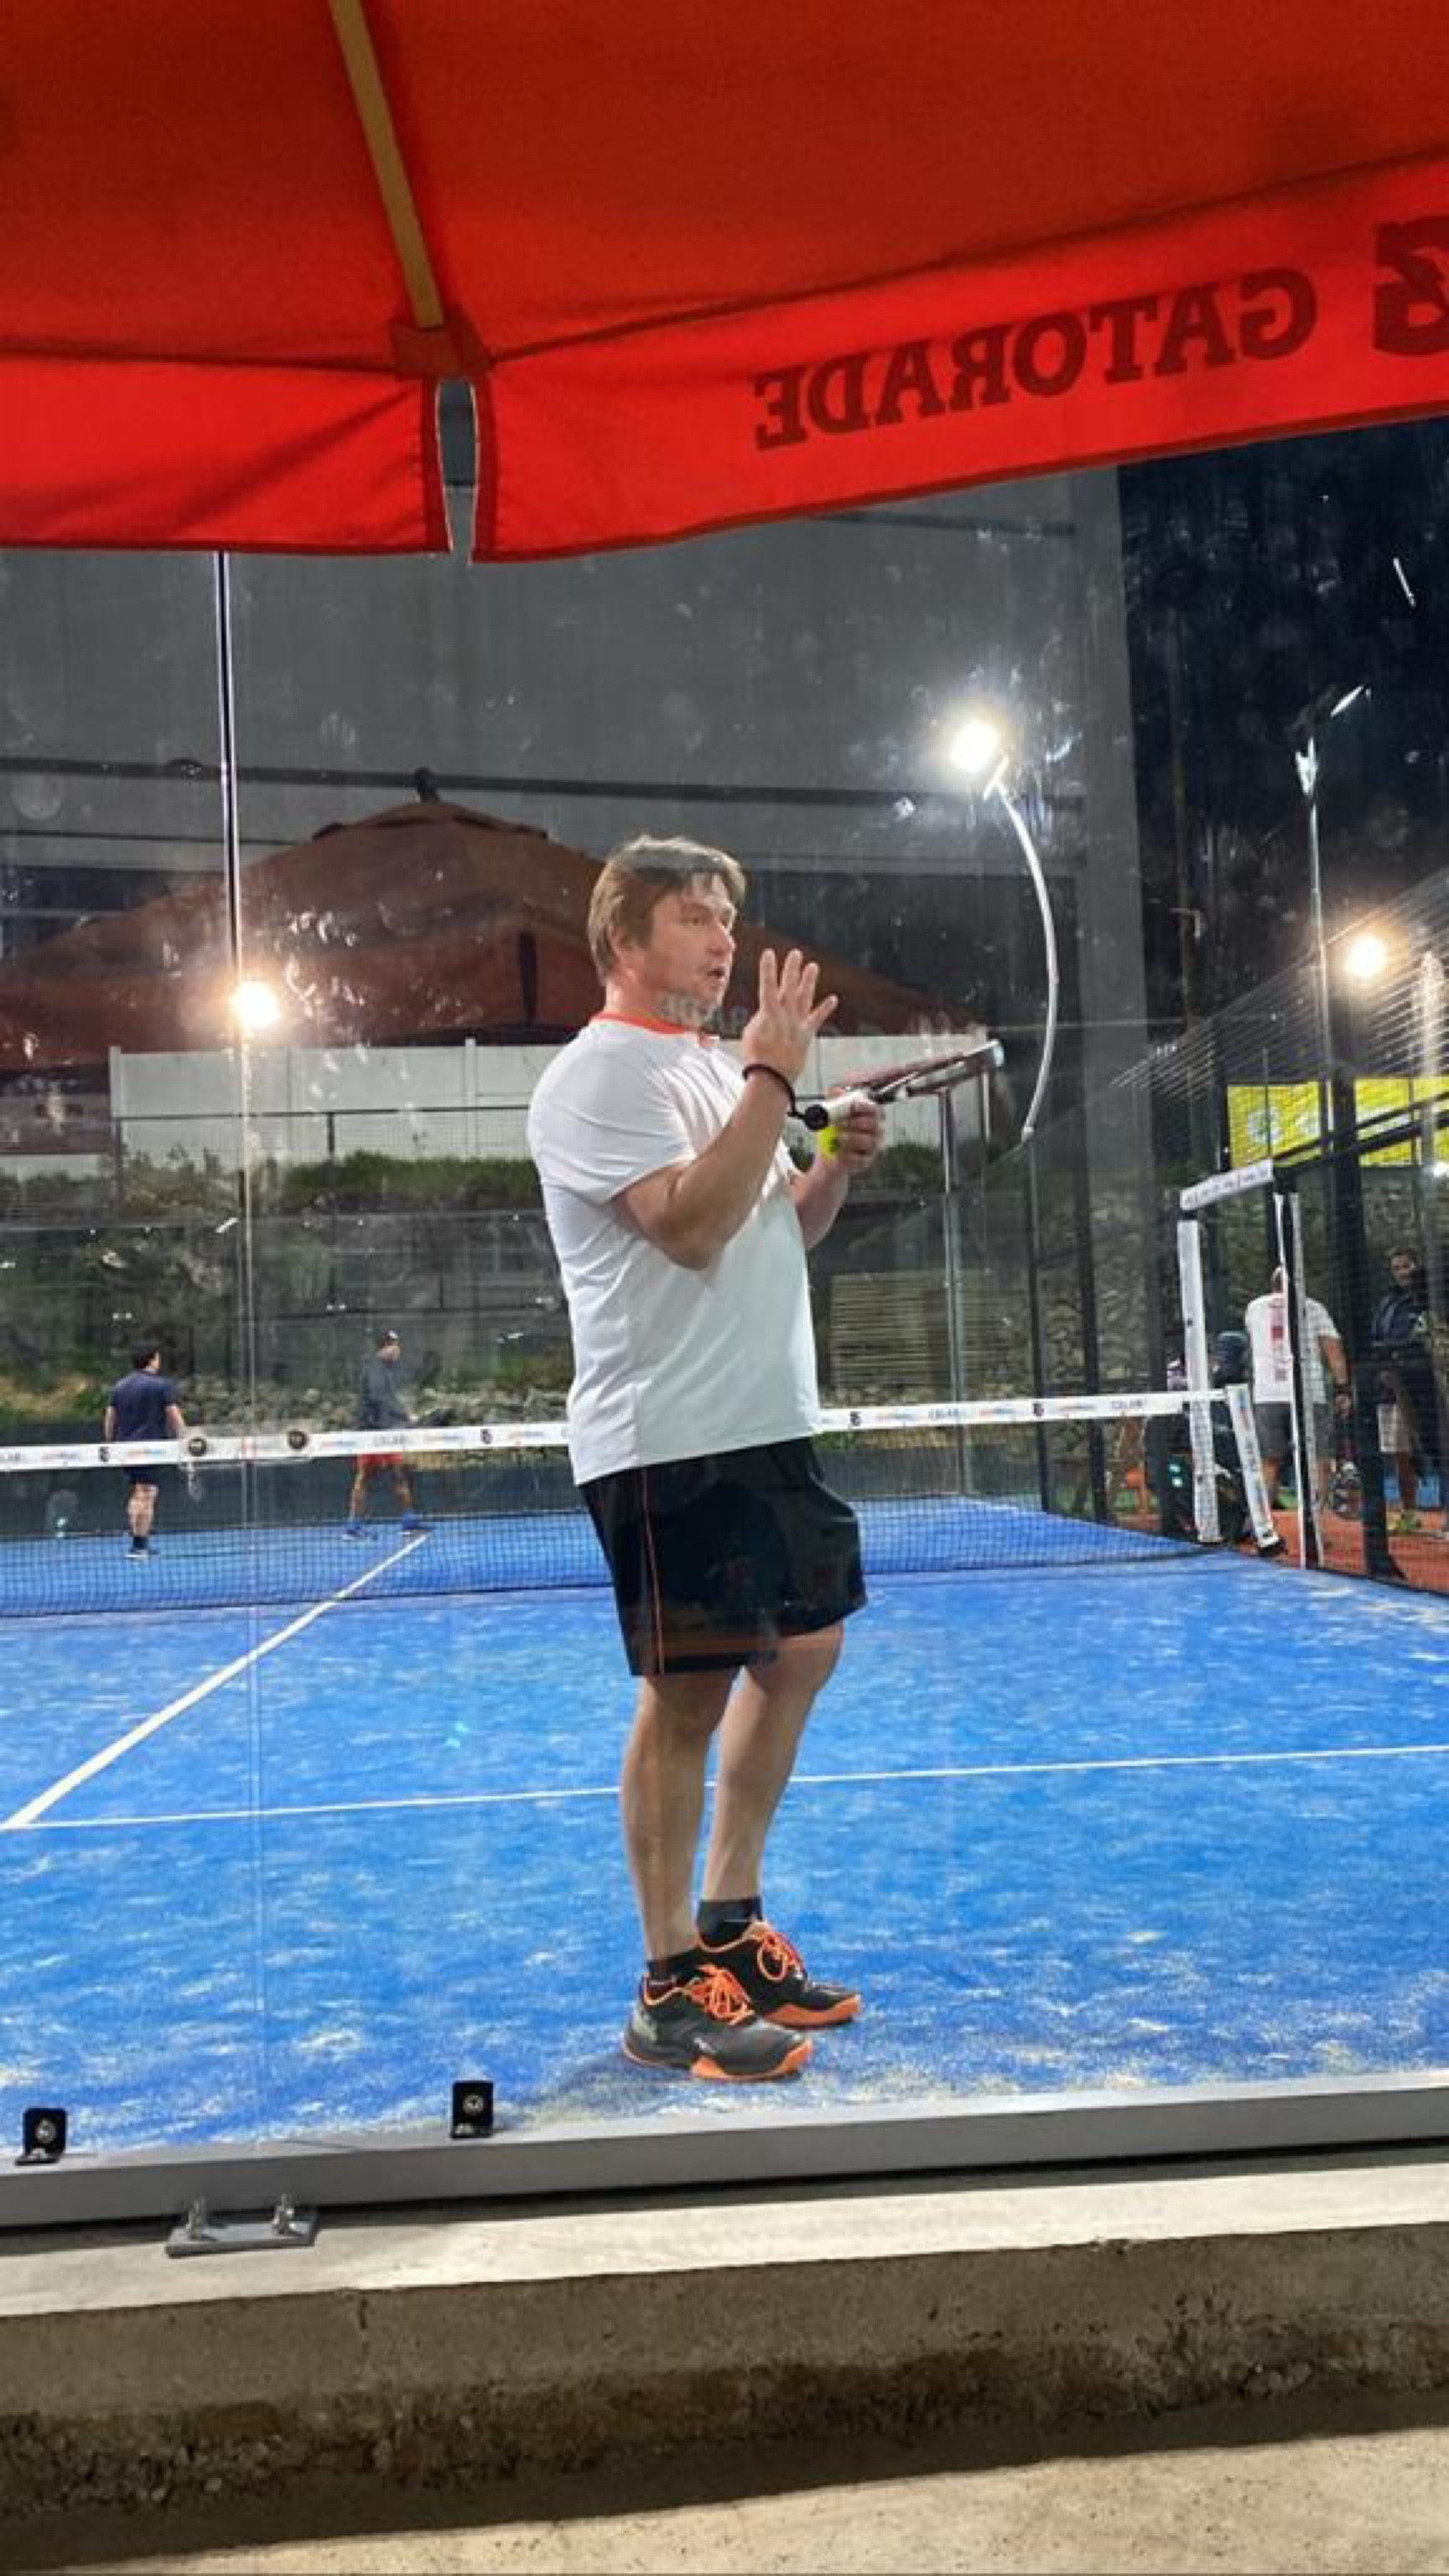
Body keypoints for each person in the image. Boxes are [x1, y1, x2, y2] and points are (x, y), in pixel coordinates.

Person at [527, 834, 883, 2084]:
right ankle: (669, 1985)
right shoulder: (596, 1076)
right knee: (686, 1697)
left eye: (729, 917)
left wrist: (828, 1160)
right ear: (623, 938)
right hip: (668, 1439)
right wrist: (773, 1079)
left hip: (764, 1423)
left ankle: (731, 1924)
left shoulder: (711, 1072)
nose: (725, 940)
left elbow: (772, 1223)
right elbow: (685, 1225)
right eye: (693, 917)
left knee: (804, 1650)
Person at [1244, 1267, 1351, 1513]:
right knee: (1319, 1458)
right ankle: (1319, 1520)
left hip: (1267, 1394)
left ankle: (1264, 1522)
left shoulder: (1254, 1308)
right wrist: (1342, 1388)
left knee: (1269, 1461)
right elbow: (1334, 1352)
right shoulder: (1313, 1308)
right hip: (1309, 1393)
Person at [1371, 1245, 1445, 1535]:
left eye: (1406, 1266)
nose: (1402, 1272)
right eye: (1397, 1268)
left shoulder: (1432, 1298)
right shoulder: (1388, 1302)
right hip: (1393, 1387)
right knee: (1399, 1451)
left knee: (1438, 1446)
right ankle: (1409, 1512)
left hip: (1428, 1388)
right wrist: (1383, 1369)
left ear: (1417, 1266)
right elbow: (1377, 1337)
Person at [102, 1342, 188, 1558]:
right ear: (153, 1359)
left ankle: (137, 1540)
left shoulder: (119, 1386)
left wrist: (110, 1443)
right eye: (158, 1357)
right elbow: (174, 1416)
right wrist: (186, 1441)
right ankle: (139, 1546)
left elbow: (110, 1418)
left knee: (138, 1491)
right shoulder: (162, 1385)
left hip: (124, 1449)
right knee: (147, 1493)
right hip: (150, 1449)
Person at [346, 1329, 426, 1535]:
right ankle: (353, 1526)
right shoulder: (375, 1369)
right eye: (394, 1345)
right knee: (365, 1478)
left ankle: (408, 1521)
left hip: (385, 1432)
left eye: (397, 1345)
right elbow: (379, 1398)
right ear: (385, 1347)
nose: (398, 1349)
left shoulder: (383, 1370)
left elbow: (387, 1399)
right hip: (371, 1434)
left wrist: (403, 1418)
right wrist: (404, 1417)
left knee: (397, 1475)